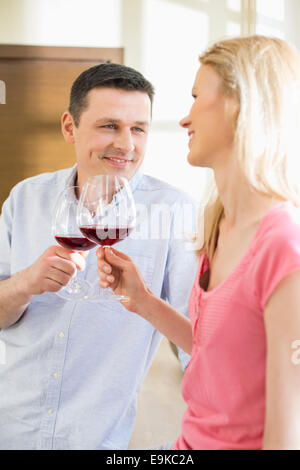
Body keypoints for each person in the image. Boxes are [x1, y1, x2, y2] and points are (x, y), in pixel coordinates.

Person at [97, 36, 300, 450]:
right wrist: (144, 299)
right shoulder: (218, 225)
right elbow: (217, 353)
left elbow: (286, 435)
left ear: (239, 105)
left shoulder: (284, 247)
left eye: (195, 97)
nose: (185, 119)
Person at [0, 63, 198, 450]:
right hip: (10, 425)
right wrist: (24, 285)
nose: (126, 144)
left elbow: (197, 342)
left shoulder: (175, 212)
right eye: (110, 125)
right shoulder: (26, 197)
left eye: (138, 128)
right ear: (69, 127)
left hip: (95, 438)